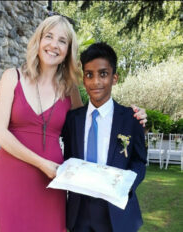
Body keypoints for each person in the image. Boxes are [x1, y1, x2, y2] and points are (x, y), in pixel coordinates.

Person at [0, 15, 147, 232]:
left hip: (53, 183)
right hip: (13, 177)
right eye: (49, 36)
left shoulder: (69, 90)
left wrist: (135, 116)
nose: (54, 45)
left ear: (68, 50)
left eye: (62, 41)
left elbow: (92, 121)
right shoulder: (12, 77)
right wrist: (41, 163)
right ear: (38, 40)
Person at [61, 42, 147, 232]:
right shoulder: (72, 120)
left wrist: (125, 186)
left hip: (117, 213)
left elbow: (140, 161)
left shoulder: (131, 119)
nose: (95, 82)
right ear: (83, 79)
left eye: (103, 74)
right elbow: (68, 158)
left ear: (114, 78)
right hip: (79, 213)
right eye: (89, 75)